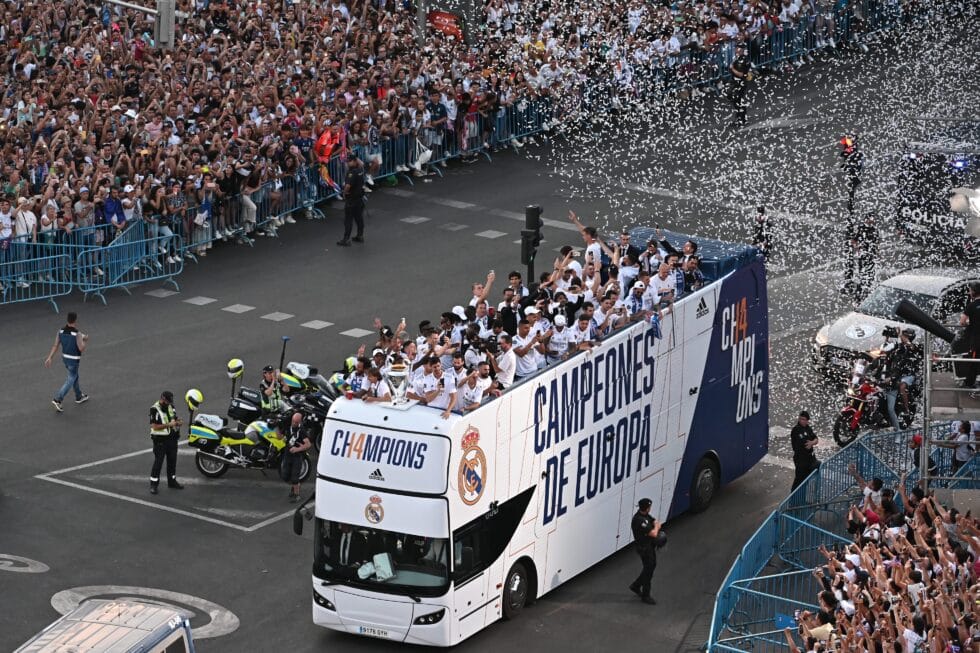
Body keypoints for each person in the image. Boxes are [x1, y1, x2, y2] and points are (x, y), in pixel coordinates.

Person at [44, 311, 90, 412]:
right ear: (75, 320)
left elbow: (55, 345)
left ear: (67, 320)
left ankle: (79, 396)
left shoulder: (60, 331)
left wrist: (50, 357)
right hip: (74, 360)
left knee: (74, 376)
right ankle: (58, 399)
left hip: (65, 359)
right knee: (71, 378)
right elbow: (81, 348)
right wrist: (85, 340)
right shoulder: (77, 333)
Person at [628, 497, 663, 605]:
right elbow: (653, 533)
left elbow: (654, 521)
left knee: (650, 566)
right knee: (649, 570)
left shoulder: (644, 516)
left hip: (648, 546)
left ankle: (636, 585)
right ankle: (645, 595)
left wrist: (655, 525)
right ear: (647, 508)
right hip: (644, 548)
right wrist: (656, 527)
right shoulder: (639, 520)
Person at [149, 390, 184, 495]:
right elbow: (154, 426)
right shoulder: (154, 409)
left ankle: (172, 481)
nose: (169, 403)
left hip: (172, 439)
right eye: (167, 401)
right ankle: (154, 485)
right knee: (158, 463)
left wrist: (178, 422)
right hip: (160, 441)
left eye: (170, 402)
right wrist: (169, 424)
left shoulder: (171, 407)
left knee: (172, 462)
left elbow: (174, 418)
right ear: (163, 399)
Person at [282, 412, 312, 502]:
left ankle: (296, 495)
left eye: (296, 422)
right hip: (288, 454)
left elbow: (308, 444)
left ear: (299, 422)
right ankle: (293, 488)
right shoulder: (288, 426)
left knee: (295, 476)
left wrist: (297, 449)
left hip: (297, 456)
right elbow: (282, 436)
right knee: (286, 474)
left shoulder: (301, 431)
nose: (294, 423)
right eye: (293, 421)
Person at [337, 153, 365, 247]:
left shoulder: (352, 172)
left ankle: (346, 239)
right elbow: (361, 163)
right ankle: (360, 235)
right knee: (358, 218)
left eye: (350, 161)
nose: (348, 163)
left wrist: (344, 193)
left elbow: (348, 186)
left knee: (348, 220)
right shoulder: (360, 169)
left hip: (352, 199)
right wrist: (356, 158)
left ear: (354, 161)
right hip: (359, 198)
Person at [959, 282, 980, 391]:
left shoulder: (971, 305)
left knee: (974, 360)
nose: (969, 292)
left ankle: (969, 383)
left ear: (974, 292)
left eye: (970, 290)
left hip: (976, 339)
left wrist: (969, 323)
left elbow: (962, 322)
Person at [790, 411, 819, 490]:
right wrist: (808, 444)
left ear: (807, 420)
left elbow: (816, 439)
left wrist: (812, 443)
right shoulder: (796, 430)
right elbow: (801, 444)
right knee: (799, 480)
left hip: (810, 458)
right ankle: (794, 500)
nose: (802, 421)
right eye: (800, 419)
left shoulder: (808, 428)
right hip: (801, 460)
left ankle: (802, 499)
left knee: (806, 480)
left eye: (804, 419)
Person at [728, 46, 753, 126]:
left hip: (740, 83)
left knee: (738, 100)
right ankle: (740, 118)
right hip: (735, 82)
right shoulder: (736, 59)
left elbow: (741, 74)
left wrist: (732, 69)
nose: (736, 50)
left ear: (741, 50)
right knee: (736, 100)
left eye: (738, 49)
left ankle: (742, 119)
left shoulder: (744, 61)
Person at [839, 135, 863, 213]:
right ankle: (850, 206)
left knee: (851, 189)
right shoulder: (850, 146)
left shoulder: (851, 148)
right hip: (851, 160)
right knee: (851, 189)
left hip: (851, 160)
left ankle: (850, 207)